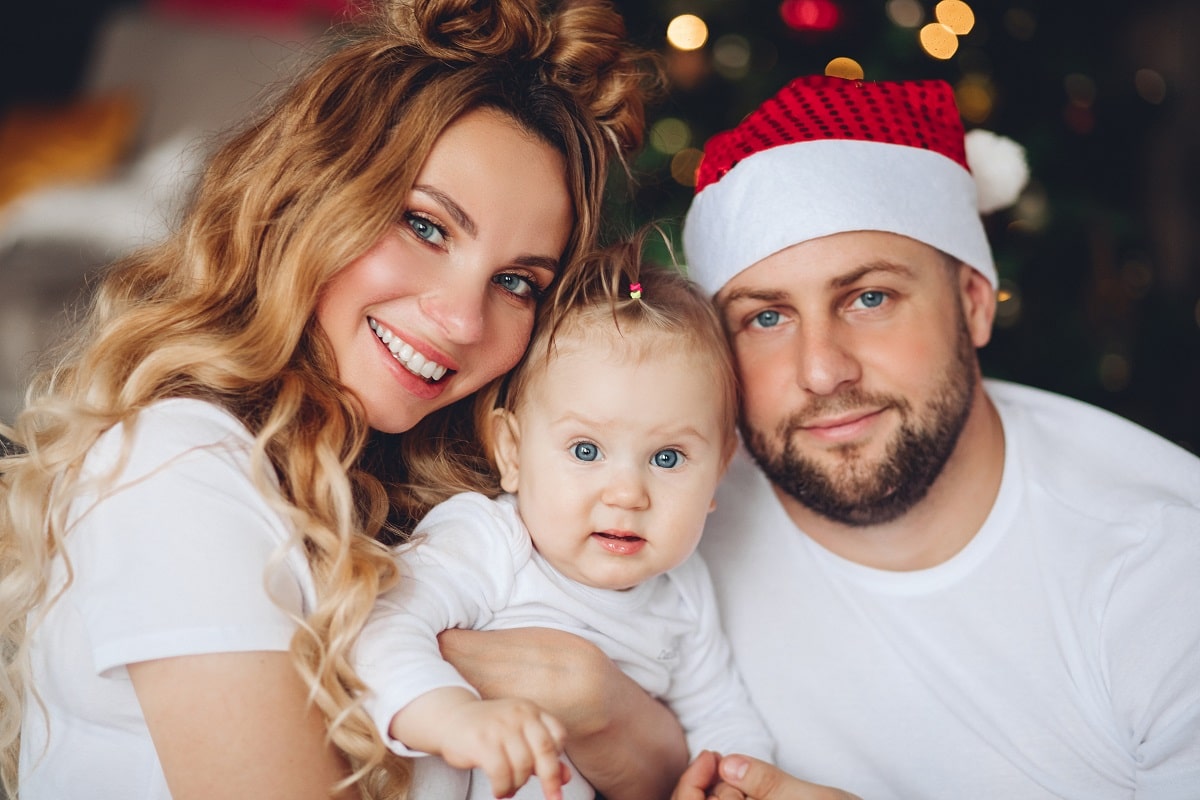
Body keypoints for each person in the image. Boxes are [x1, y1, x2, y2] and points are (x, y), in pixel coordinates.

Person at [0, 1, 664, 798]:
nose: (462, 319)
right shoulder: (178, 468)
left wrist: (603, 702)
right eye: (425, 227)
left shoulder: (452, 496)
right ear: (309, 198)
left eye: (517, 282)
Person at [669, 74, 1200, 799]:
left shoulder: (1167, 572)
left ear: (974, 303)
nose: (822, 371)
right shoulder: (660, 515)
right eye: (766, 317)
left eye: (869, 298)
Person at [354, 239, 775, 800]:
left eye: (667, 458)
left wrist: (732, 780)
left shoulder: (683, 591)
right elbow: (378, 625)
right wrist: (450, 714)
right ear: (511, 452)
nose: (627, 494)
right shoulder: (490, 542)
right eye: (585, 450)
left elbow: (722, 714)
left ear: (718, 474)